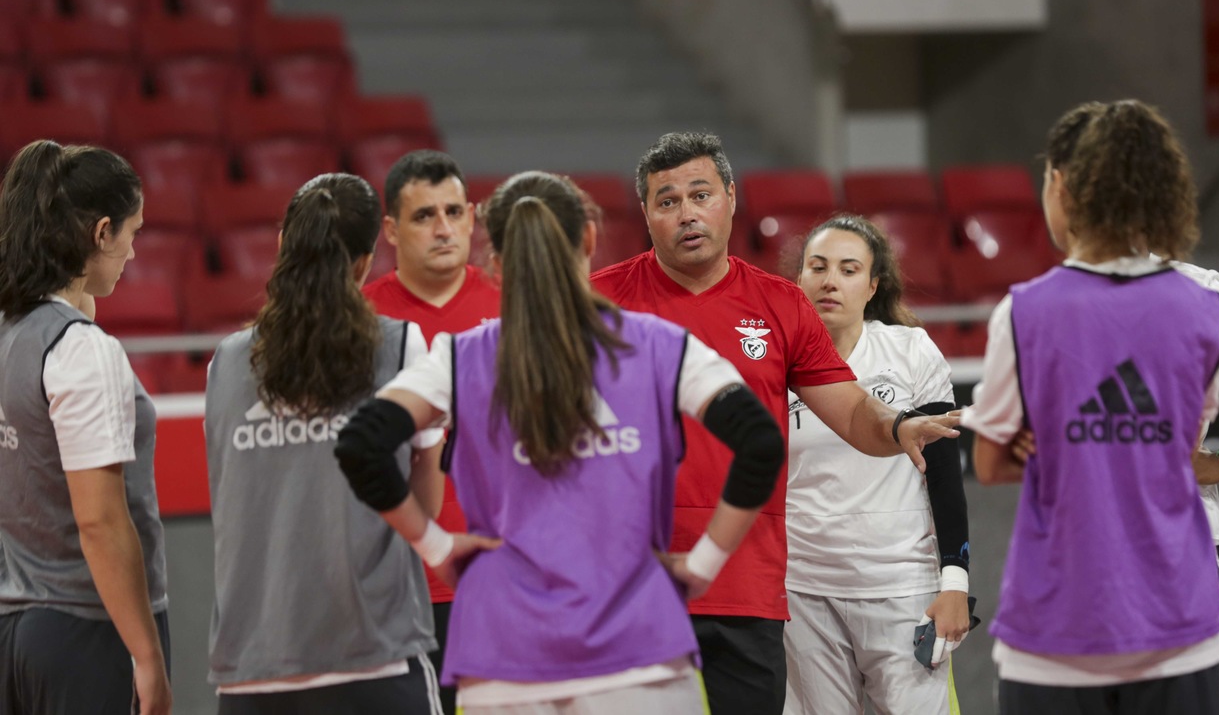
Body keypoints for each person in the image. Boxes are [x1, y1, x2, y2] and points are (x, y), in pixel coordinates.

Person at [334, 170, 787, 714]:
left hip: (503, 661)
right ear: (590, 240)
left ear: (497, 263)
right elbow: (760, 441)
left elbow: (361, 444)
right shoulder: (660, 346)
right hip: (640, 655)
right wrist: (702, 564)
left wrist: (436, 547)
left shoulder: (460, 358)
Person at [590, 131, 960, 715]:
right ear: (646, 214)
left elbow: (852, 409)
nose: (687, 213)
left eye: (701, 194)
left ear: (731, 199)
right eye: (667, 201)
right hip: (628, 587)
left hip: (748, 587)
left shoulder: (780, 304)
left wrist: (897, 427)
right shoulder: (595, 305)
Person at [964, 100, 1219, 714]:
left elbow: (989, 463)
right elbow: (1178, 446)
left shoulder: (1025, 311)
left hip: (1056, 633)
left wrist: (1045, 448)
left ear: (1062, 185)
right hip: (1182, 625)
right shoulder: (1205, 310)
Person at [204, 173, 444, 714]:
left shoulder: (224, 363)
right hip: (373, 658)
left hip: (251, 673)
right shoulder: (401, 346)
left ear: (285, 244)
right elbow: (424, 509)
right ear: (364, 261)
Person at [0, 140, 171, 715]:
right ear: (101, 233)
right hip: (88, 630)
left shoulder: (11, 332)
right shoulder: (78, 349)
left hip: (15, 633)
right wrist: (147, 657)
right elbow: (99, 520)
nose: (132, 251)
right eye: (131, 232)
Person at [784, 214, 970, 715]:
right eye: (817, 267)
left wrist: (955, 581)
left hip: (902, 588)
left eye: (848, 270)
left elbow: (946, 476)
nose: (829, 281)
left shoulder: (909, 350)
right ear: (798, 280)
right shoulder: (772, 363)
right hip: (803, 593)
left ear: (872, 285)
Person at [362, 151, 499, 712]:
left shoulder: (517, 306)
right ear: (391, 230)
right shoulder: (360, 319)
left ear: (472, 216)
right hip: (399, 583)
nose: (443, 229)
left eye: (453, 212)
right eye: (424, 216)